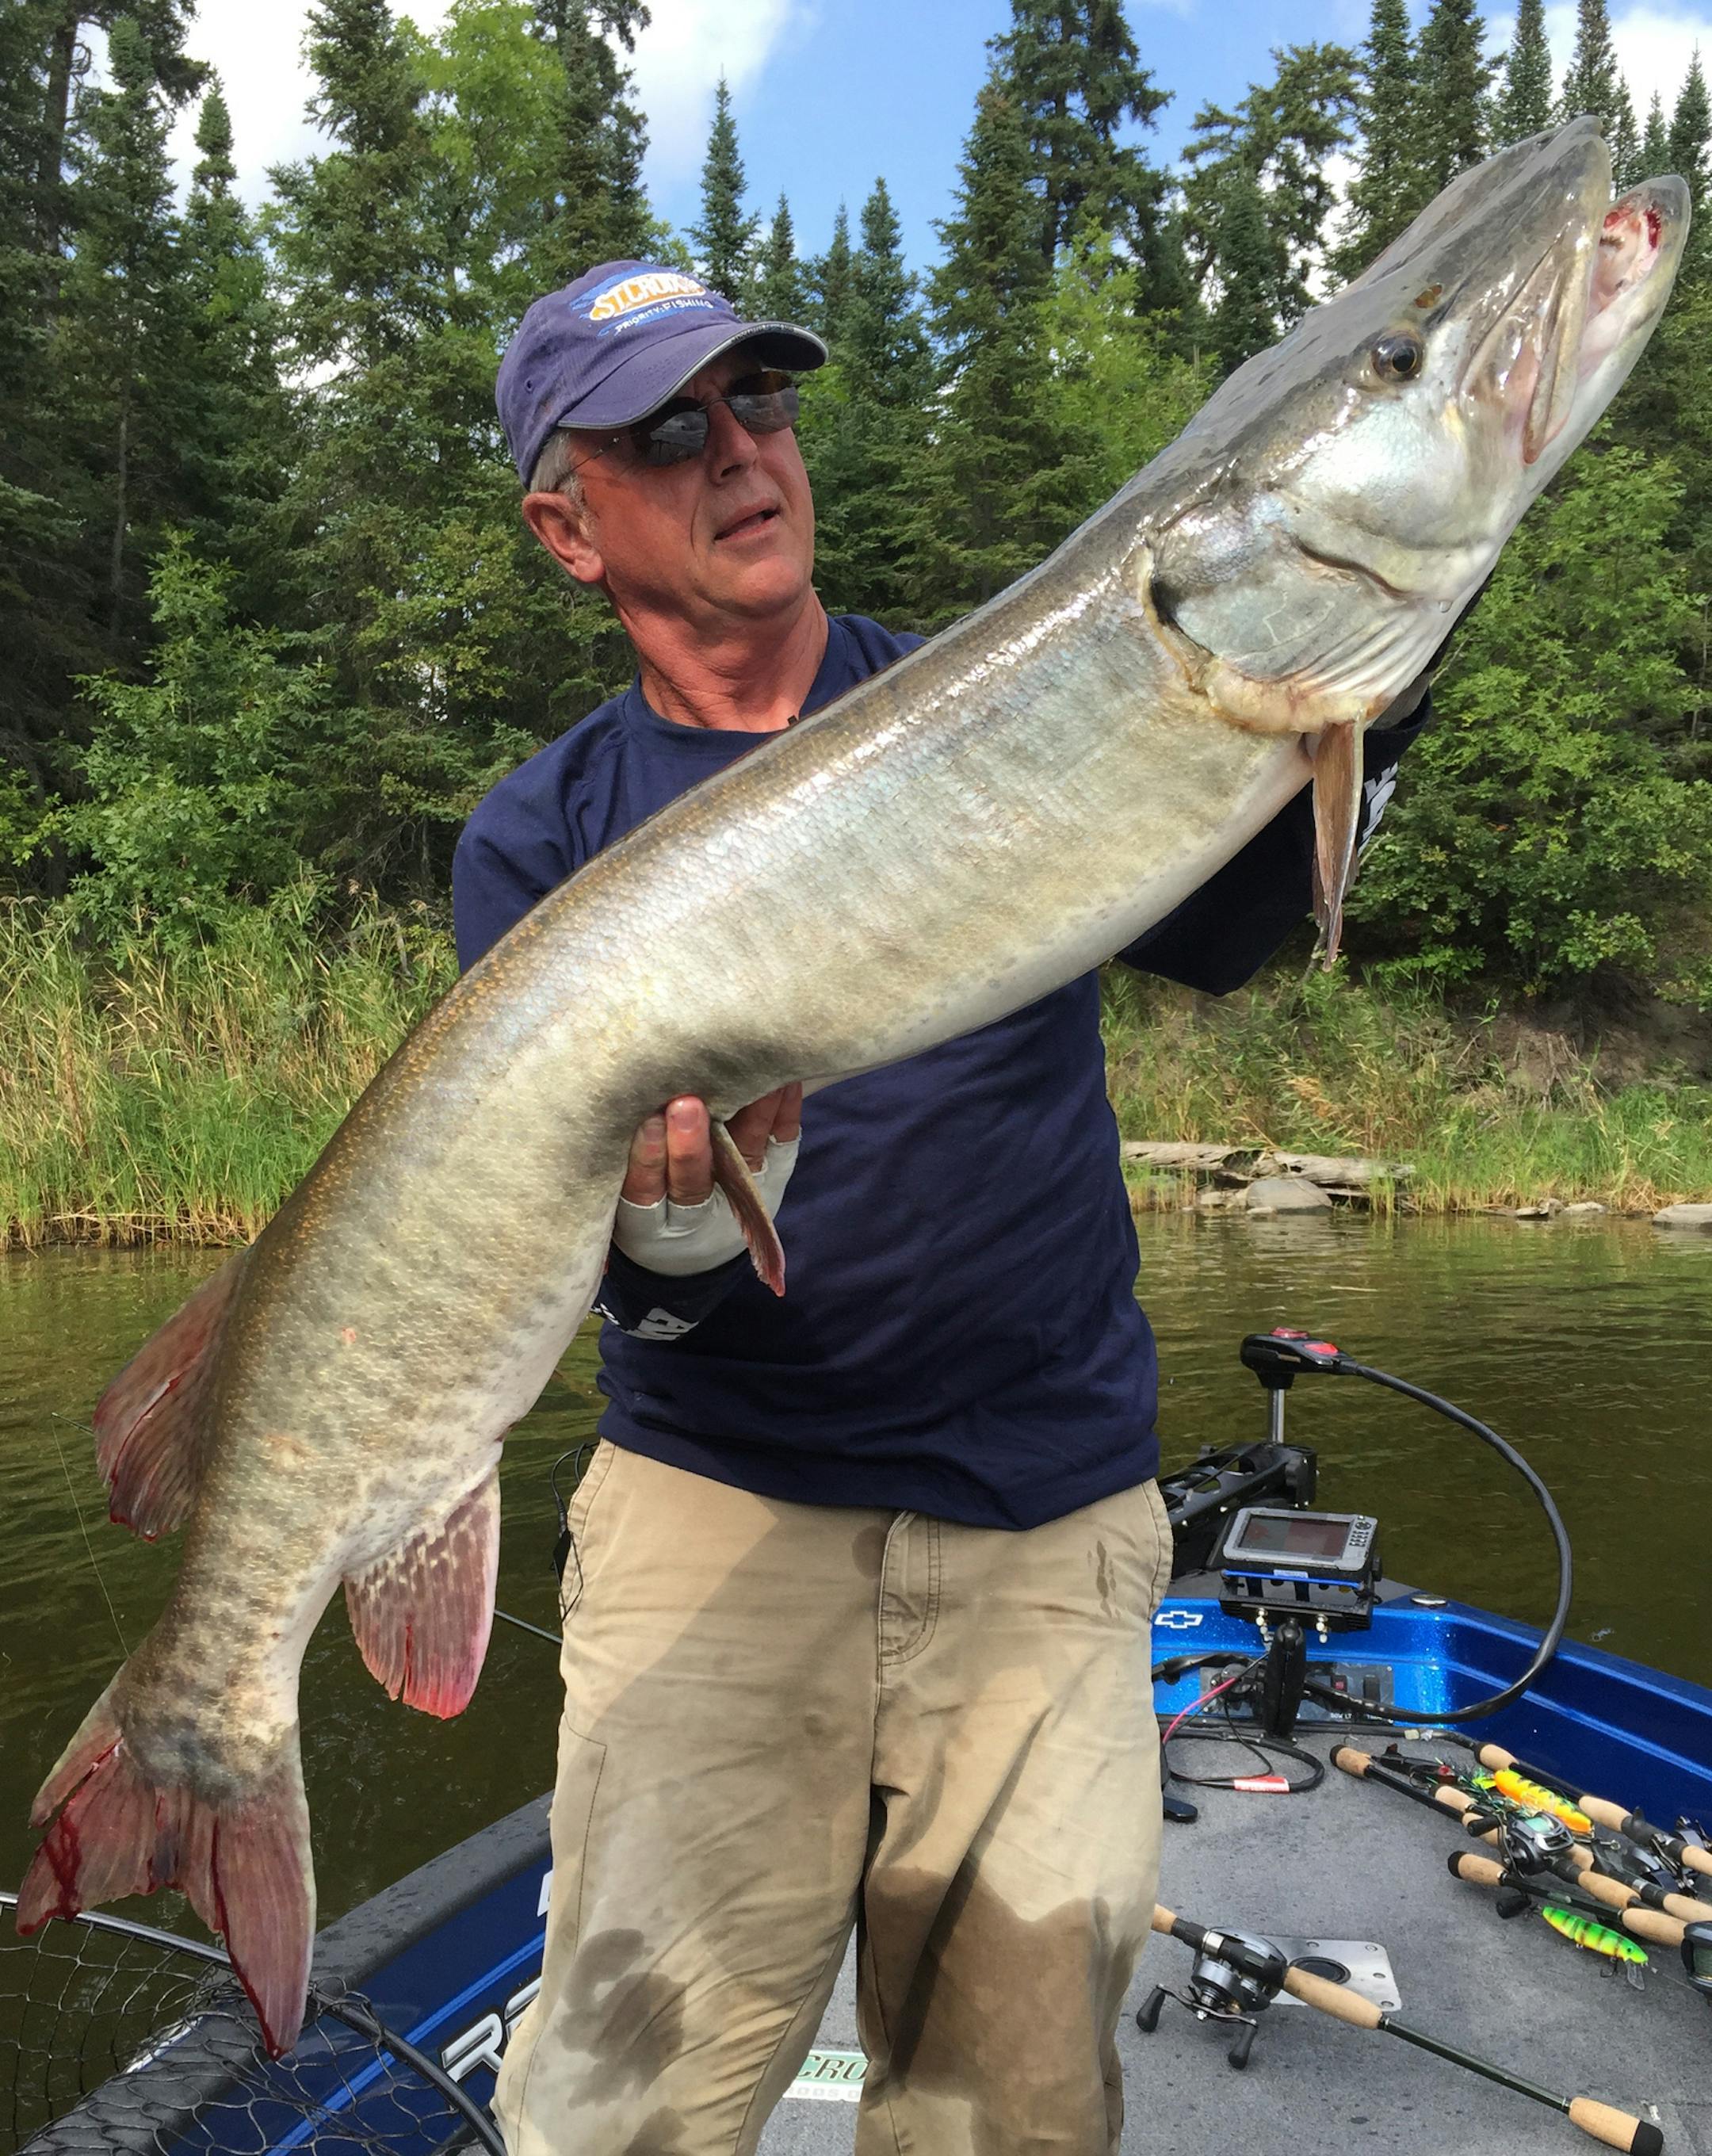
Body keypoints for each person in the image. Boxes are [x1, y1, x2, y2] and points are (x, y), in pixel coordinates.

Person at [455, 261, 1430, 2156]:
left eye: (763, 406)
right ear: (568, 525)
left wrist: (1384, 646)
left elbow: (1235, 935)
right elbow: (632, 1302)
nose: (743, 454)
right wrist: (668, 1229)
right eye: (669, 431)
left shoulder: (1001, 691)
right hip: (715, 1513)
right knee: (620, 2119)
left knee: (1010, 2120)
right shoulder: (546, 836)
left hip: (1045, 1518)